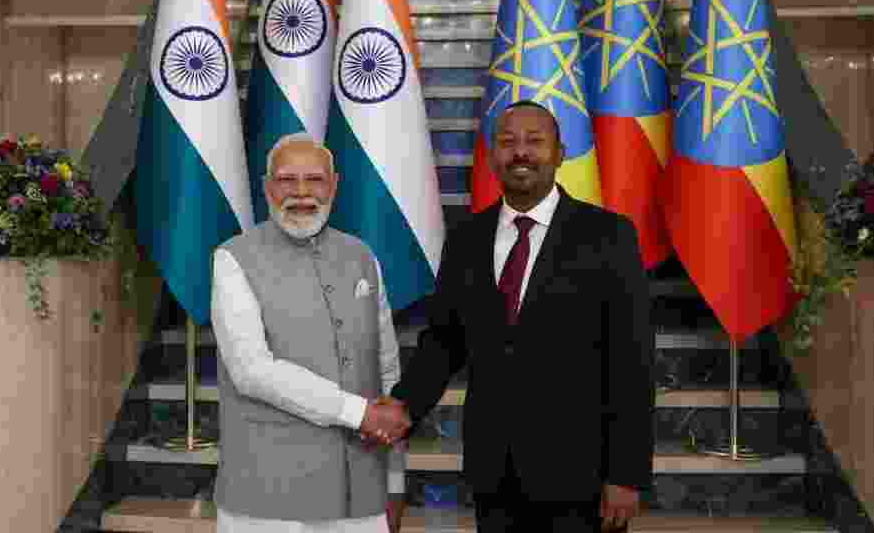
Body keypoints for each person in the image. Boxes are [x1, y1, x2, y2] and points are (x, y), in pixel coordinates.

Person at [386, 100, 654, 532]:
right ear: (493, 156)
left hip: (580, 478)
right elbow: (442, 343)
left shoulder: (609, 236)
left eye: (535, 141)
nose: (521, 152)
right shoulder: (467, 240)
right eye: (508, 142)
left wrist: (626, 474)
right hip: (494, 473)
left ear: (560, 153)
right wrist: (402, 405)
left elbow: (632, 363)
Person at [210, 133, 414, 532]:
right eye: (287, 180)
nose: (301, 193)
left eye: (315, 180)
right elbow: (252, 370)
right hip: (266, 500)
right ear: (268, 187)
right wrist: (358, 413)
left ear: (334, 185)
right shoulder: (232, 258)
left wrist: (394, 481)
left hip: (362, 496)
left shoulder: (362, 256)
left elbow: (387, 367)